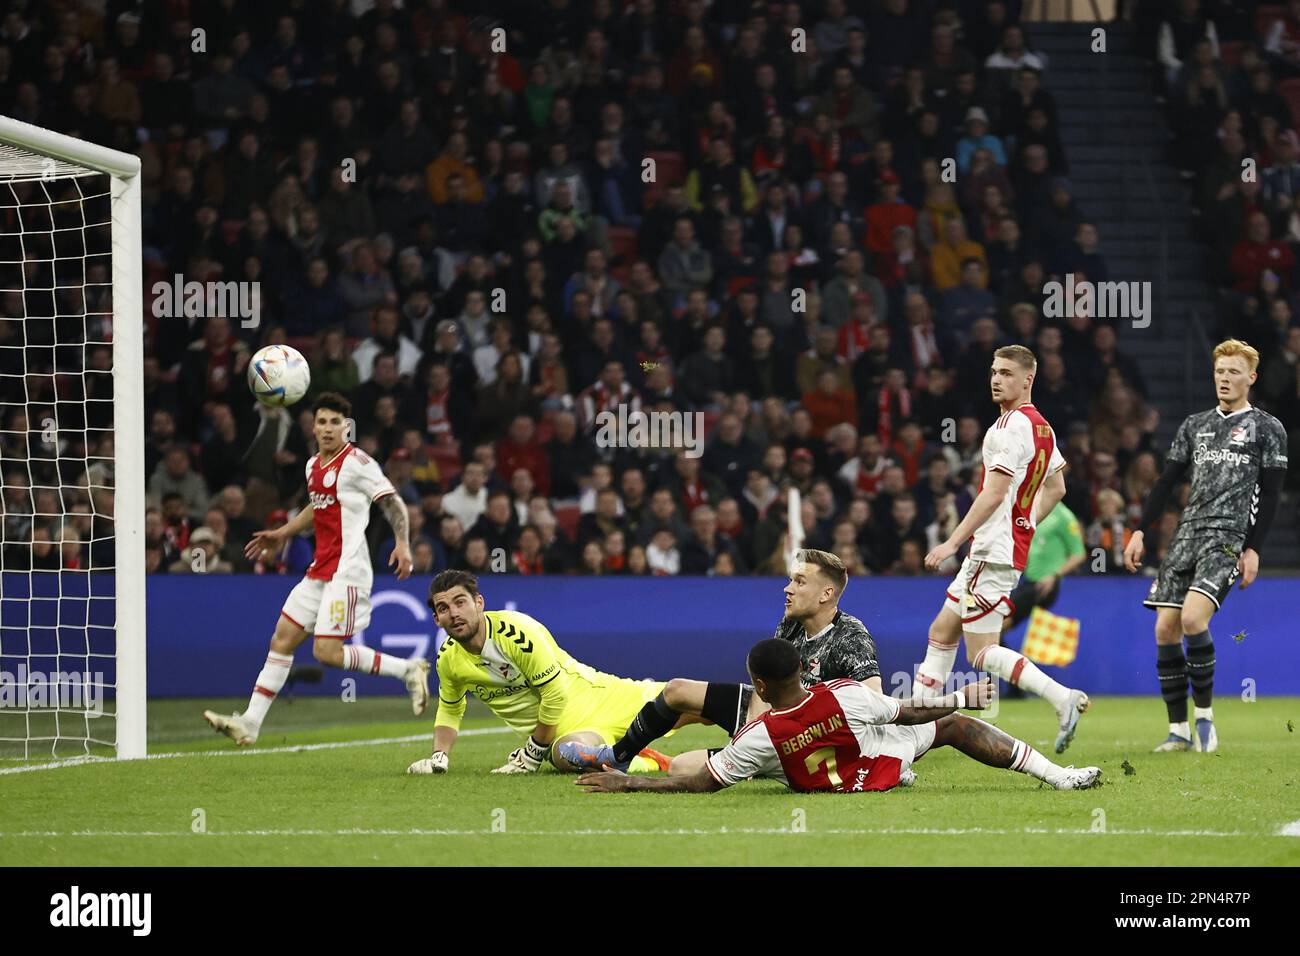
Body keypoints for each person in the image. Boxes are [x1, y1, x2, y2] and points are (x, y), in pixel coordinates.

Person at [576, 639, 1101, 794]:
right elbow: (907, 710)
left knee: (685, 765)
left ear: (758, 686)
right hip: (879, 756)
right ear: (802, 669)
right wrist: (962, 698)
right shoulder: (844, 693)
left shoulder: (759, 734)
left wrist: (627, 785)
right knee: (952, 728)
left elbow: (704, 784)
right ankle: (1059, 777)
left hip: (819, 775)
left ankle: (622, 757)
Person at [202, 393, 429, 746]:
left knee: (326, 653)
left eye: (334, 422)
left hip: (347, 571)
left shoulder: (358, 463)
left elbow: (392, 500)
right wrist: (282, 532)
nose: (326, 429)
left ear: (346, 427)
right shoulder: (312, 466)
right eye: (321, 421)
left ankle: (408, 670)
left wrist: (402, 542)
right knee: (282, 638)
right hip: (319, 569)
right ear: (313, 425)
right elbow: (316, 506)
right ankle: (250, 723)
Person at [557, 548, 880, 774]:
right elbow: (765, 686)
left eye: (799, 582)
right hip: (772, 717)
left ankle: (755, 765)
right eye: (790, 579)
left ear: (825, 594)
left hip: (804, 738)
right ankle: (618, 757)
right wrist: (752, 733)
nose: (787, 588)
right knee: (676, 690)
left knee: (682, 769)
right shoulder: (790, 624)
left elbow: (874, 704)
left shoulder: (850, 636)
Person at [916, 345, 1091, 754]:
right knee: (942, 631)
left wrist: (952, 542)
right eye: (994, 371)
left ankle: (1061, 698)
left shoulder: (1009, 428)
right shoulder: (1042, 427)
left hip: (989, 551)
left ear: (1028, 379)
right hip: (1004, 549)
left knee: (981, 653)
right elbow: (1058, 486)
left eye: (1007, 373)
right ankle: (918, 723)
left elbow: (994, 492)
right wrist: (1027, 521)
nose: (997, 379)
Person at [1123, 340, 1288, 753]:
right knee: (1165, 629)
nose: (1225, 379)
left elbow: (1270, 495)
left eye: (1234, 372)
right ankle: (1178, 730)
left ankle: (1205, 720)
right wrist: (1141, 530)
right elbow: (1166, 482)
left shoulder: (1268, 428)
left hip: (1227, 539)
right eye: (1220, 372)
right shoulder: (1194, 425)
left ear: (1251, 377)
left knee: (1194, 619)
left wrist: (1254, 549)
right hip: (1187, 534)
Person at [406, 570, 676, 775]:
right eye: (443, 608)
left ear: (479, 602)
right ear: (436, 619)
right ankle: (647, 759)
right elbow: (451, 709)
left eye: (460, 602)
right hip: (560, 737)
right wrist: (439, 757)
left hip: (601, 698)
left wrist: (532, 755)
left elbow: (555, 695)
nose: (454, 613)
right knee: (567, 757)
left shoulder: (516, 633)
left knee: (690, 701)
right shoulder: (448, 659)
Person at [998, 500, 1086, 696]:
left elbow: (1079, 554)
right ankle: (1016, 687)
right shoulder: (1032, 510)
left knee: (992, 629)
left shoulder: (1063, 515)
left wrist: (1054, 575)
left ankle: (1017, 683)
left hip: (1042, 586)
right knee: (994, 632)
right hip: (1027, 581)